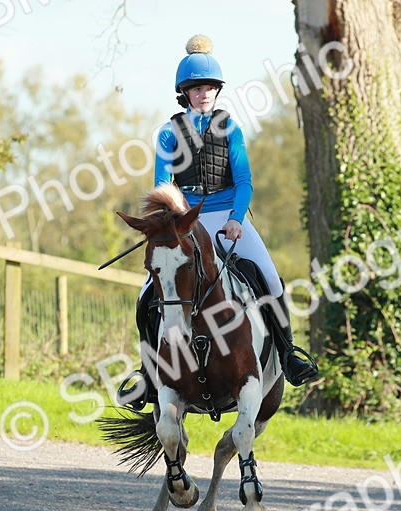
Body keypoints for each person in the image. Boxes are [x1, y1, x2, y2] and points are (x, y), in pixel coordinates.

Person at [122, 34, 318, 411]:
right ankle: (148, 375)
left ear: (217, 90)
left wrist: (235, 219)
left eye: (210, 87)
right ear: (185, 93)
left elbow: (244, 180)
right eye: (197, 88)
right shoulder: (168, 133)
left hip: (228, 215)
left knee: (270, 278)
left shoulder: (230, 129)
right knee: (147, 292)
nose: (204, 93)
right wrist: (178, 223)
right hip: (185, 220)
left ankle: (289, 354)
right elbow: (164, 186)